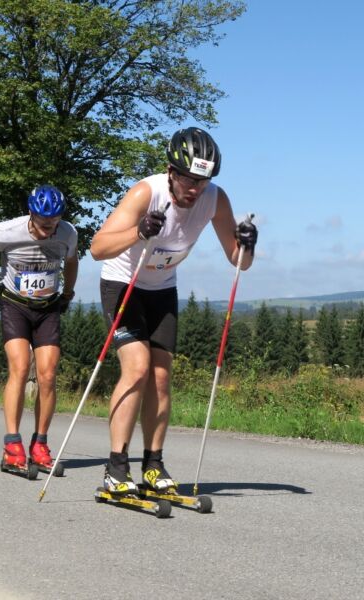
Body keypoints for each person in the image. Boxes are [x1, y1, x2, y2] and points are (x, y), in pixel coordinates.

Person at [89, 127, 257, 494]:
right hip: (124, 283)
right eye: (188, 179)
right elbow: (98, 248)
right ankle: (117, 467)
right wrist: (138, 231)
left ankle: (153, 464)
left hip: (162, 288)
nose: (195, 188)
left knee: (161, 377)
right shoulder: (145, 192)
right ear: (171, 171)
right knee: (137, 368)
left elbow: (237, 261)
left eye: (203, 180)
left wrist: (248, 244)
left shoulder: (215, 199)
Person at [0, 185, 79, 473]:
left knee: (48, 374)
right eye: (44, 223)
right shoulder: (6, 231)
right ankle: (12, 443)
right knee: (19, 367)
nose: (49, 228)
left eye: (54, 222)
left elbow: (71, 261)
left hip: (48, 307)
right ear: (31, 213)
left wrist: (68, 293)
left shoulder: (68, 233)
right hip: (15, 305)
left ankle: (40, 443)